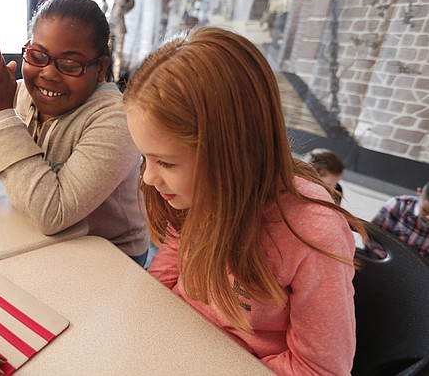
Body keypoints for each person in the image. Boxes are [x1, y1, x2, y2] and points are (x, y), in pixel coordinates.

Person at [124, 26, 366, 375]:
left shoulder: (313, 234)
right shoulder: (193, 195)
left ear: (230, 153)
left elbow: (320, 369)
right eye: (145, 158)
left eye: (165, 162)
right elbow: (164, 277)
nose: (148, 177)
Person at [0, 0, 149, 265]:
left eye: (70, 64)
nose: (48, 73)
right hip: (37, 243)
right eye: (38, 55)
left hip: (111, 259)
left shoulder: (117, 119)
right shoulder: (20, 94)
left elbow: (54, 214)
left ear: (100, 69)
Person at [370, 181, 429, 258]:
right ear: (419, 192)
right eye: (425, 211)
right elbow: (372, 236)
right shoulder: (398, 205)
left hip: (417, 268)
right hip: (381, 261)